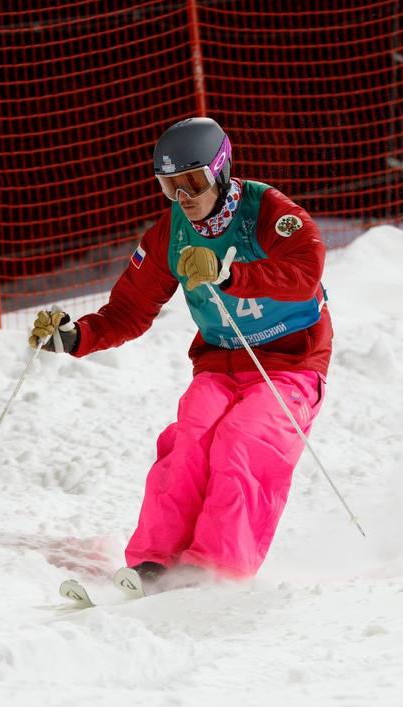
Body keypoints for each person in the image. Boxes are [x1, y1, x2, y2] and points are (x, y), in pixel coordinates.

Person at [28, 117, 332, 588]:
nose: (184, 197)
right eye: (171, 186)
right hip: (221, 359)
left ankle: (216, 565)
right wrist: (77, 336)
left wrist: (231, 275)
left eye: (193, 182)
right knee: (191, 437)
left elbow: (304, 272)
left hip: (291, 360)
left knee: (244, 440)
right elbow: (129, 309)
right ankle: (156, 561)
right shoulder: (171, 233)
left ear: (221, 170)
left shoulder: (270, 211)